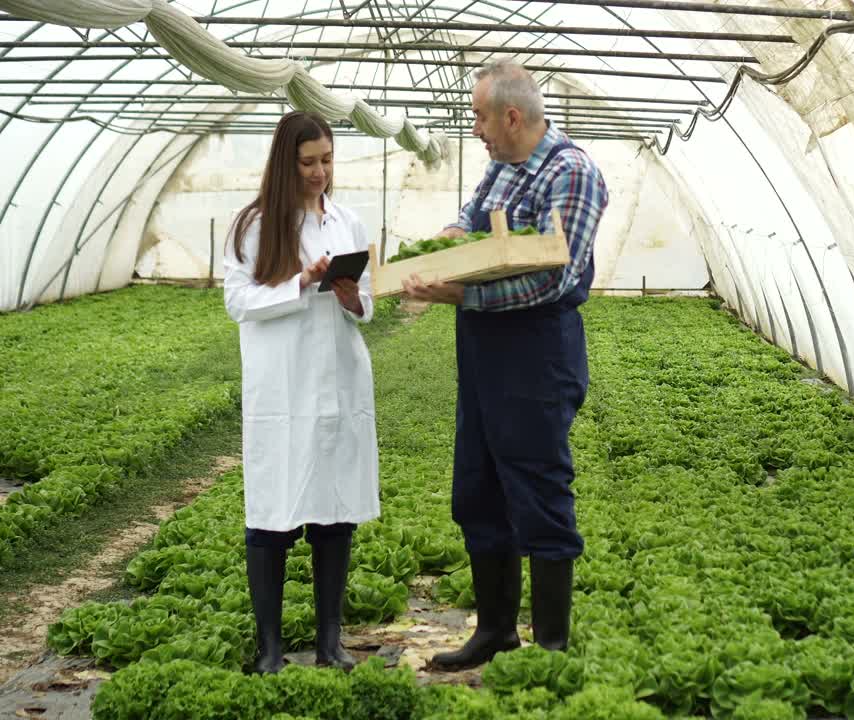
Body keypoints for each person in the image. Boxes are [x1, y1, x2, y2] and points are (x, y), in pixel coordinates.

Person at [400, 60, 608, 670]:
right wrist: (447, 237)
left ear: (511, 116)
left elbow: (553, 277)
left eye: (479, 117)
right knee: (478, 492)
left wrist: (465, 294)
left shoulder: (572, 174)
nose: (475, 130)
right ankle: (495, 631)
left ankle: (550, 646)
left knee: (540, 494)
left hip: (537, 354)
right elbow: (472, 219)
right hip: (485, 353)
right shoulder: (503, 168)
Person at [223, 110, 380, 674]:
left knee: (334, 509)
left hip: (338, 375)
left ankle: (329, 642)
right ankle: (269, 649)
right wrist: (301, 283)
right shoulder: (257, 225)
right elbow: (238, 301)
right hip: (281, 385)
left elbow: (369, 301)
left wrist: (349, 298)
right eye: (309, 162)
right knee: (273, 508)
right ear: (286, 163)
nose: (320, 173)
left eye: (328, 160)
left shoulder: (348, 222)